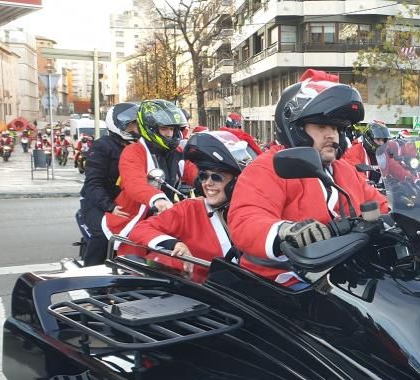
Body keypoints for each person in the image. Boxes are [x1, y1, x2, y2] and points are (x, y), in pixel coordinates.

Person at [228, 69, 388, 287]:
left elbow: (381, 205)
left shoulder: (345, 170)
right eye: (322, 126)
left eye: (336, 128)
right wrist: (285, 231)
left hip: (341, 276)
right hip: (283, 281)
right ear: (296, 128)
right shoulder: (269, 166)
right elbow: (246, 218)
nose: (332, 134)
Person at [129, 131, 253, 281]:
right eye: (203, 176)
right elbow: (140, 230)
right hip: (206, 297)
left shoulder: (253, 210)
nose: (208, 183)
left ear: (236, 181)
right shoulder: (189, 209)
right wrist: (175, 244)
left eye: (216, 177)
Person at [102, 99, 197, 255]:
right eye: (165, 129)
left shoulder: (178, 153)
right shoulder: (134, 151)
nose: (170, 134)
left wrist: (217, 182)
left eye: (174, 129)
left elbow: (194, 172)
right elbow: (134, 182)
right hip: (135, 219)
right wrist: (157, 199)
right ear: (150, 128)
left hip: (166, 217)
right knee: (133, 267)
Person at [78, 102, 140, 265]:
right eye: (131, 125)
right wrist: (110, 206)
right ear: (118, 125)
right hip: (97, 203)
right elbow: (93, 183)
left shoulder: (140, 146)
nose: (135, 128)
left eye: (137, 124)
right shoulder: (102, 146)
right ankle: (91, 276)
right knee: (105, 233)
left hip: (128, 202)